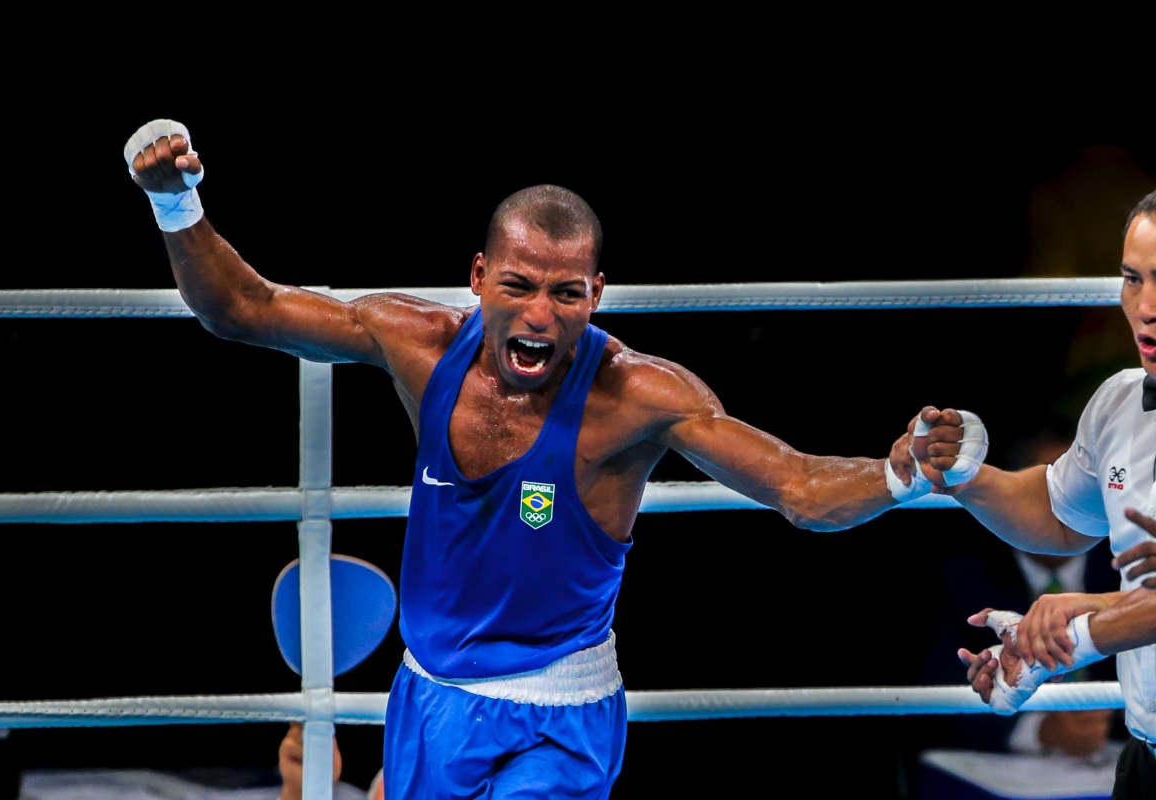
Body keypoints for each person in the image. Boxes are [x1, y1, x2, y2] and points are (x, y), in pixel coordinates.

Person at [124, 120, 981, 798]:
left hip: (556, 716)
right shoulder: (414, 343)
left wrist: (897, 470)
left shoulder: (638, 395)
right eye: (520, 285)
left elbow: (797, 485)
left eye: (566, 292)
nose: (539, 314)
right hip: (428, 700)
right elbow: (242, 307)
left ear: (596, 295)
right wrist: (176, 204)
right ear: (479, 277)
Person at [907, 189, 1156, 797]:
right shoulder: (1120, 401)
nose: (1146, 307)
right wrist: (967, 475)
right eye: (1132, 279)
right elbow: (1062, 517)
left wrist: (1062, 640)